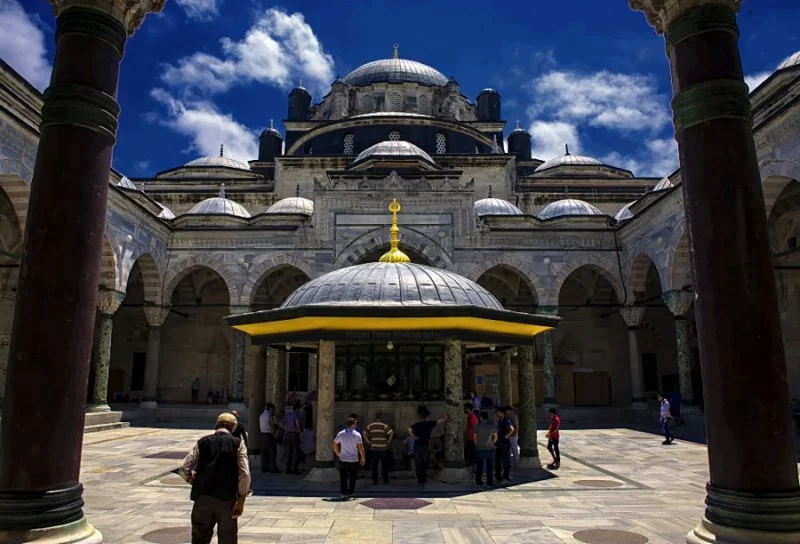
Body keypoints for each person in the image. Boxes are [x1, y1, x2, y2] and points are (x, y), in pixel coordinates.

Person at [179, 412, 250, 544]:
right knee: (227, 538)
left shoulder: (202, 442)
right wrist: (241, 499)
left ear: (216, 425)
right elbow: (244, 473)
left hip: (202, 498)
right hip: (226, 499)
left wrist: (193, 480)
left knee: (200, 538)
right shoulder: (238, 444)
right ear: (233, 427)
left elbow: (184, 467)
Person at [407, 406, 447, 485]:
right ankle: (424, 477)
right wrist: (445, 418)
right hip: (425, 446)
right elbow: (439, 421)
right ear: (426, 417)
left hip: (417, 445)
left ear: (419, 417)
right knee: (424, 463)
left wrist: (412, 436)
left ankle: (420, 479)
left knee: (418, 463)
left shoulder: (417, 424)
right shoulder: (429, 424)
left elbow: (409, 429)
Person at [333, 417, 366, 500]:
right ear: (353, 424)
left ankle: (344, 492)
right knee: (352, 476)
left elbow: (334, 445)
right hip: (353, 459)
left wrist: (338, 454)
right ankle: (351, 491)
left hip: (343, 458)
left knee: (343, 476)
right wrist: (363, 457)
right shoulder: (357, 434)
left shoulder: (340, 433)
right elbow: (360, 447)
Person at [365, 411, 394, 484]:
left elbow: (364, 433)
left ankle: (375, 480)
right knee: (385, 465)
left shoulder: (370, 425)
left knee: (374, 465)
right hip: (383, 448)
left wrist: (368, 442)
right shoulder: (384, 425)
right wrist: (388, 441)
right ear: (381, 417)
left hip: (374, 448)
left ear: (375, 416)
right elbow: (391, 432)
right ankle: (385, 480)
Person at [474, 411, 498, 487]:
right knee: (490, 467)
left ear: (481, 417)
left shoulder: (477, 426)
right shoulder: (492, 426)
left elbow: (474, 437)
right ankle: (489, 482)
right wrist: (492, 443)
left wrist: (477, 443)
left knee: (479, 466)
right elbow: (496, 436)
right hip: (489, 448)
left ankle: (479, 481)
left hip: (479, 448)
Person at [281, 400, 304, 474]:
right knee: (295, 451)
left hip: (288, 434)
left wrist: (286, 428)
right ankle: (294, 468)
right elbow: (297, 422)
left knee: (288, 451)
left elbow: (280, 422)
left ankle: (287, 468)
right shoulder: (297, 414)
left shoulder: (288, 414)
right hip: (294, 434)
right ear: (298, 409)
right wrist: (299, 430)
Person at [494, 406, 514, 483]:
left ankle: (506, 475)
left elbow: (512, 429)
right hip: (499, 443)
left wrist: (506, 436)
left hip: (505, 444)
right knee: (498, 461)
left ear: (502, 413)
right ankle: (498, 476)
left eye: (498, 412)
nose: (497, 414)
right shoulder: (499, 421)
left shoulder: (506, 420)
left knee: (506, 461)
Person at [259, 403, 279, 473]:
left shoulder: (261, 415)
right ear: (271, 409)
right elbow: (271, 426)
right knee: (272, 452)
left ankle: (264, 467)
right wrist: (274, 433)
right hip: (268, 435)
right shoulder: (269, 415)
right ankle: (274, 468)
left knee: (264, 453)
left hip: (262, 435)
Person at [463, 403, 478, 468]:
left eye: (465, 408)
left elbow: (475, 428)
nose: (464, 410)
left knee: (471, 455)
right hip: (470, 439)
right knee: (468, 454)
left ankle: (474, 469)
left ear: (468, 409)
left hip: (472, 439)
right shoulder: (470, 416)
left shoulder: (472, 417)